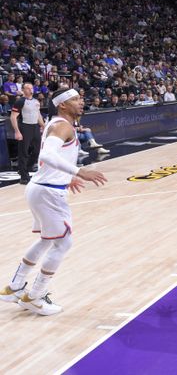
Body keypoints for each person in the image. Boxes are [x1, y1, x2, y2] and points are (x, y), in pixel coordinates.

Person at [0, 88, 107, 315]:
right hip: (47, 192)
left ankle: (16, 286)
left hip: (41, 188)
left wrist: (66, 178)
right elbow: (47, 156)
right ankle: (36, 296)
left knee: (47, 241)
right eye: (75, 99)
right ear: (62, 105)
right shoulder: (63, 125)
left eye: (80, 98)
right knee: (64, 243)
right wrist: (79, 172)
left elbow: (55, 159)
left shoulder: (57, 123)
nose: (81, 102)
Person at [10, 83, 45, 185]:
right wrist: (17, 131)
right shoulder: (20, 101)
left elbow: (38, 115)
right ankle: (24, 177)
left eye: (31, 88)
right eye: (28, 88)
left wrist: (43, 126)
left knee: (37, 151)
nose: (30, 89)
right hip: (25, 127)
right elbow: (13, 117)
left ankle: (25, 169)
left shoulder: (36, 101)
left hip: (35, 127)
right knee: (23, 152)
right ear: (23, 90)